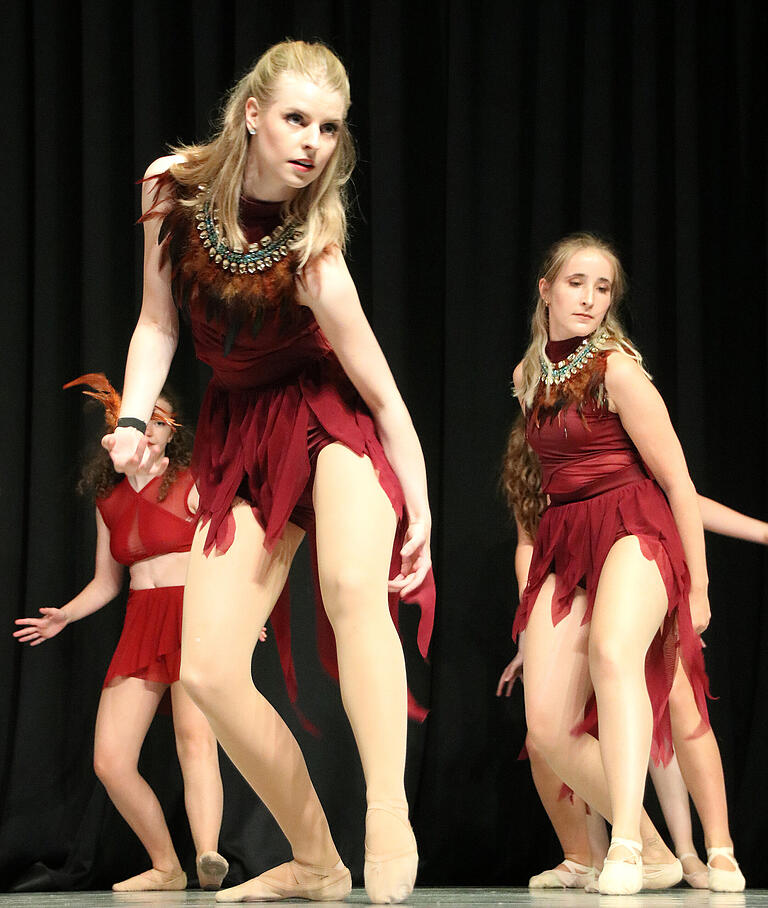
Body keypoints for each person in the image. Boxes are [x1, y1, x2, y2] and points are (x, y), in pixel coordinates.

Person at [101, 40, 434, 905]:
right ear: (252, 112)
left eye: (330, 128)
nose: (313, 142)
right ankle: (318, 861)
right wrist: (134, 420)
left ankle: (388, 810)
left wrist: (421, 506)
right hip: (241, 432)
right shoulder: (168, 188)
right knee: (207, 670)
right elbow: (157, 322)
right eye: (296, 119)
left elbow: (387, 397)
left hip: (328, 419)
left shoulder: (315, 254)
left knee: (353, 588)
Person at [508, 231, 725, 895]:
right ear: (545, 289)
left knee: (613, 654)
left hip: (633, 523)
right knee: (546, 728)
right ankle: (658, 853)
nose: (590, 298)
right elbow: (541, 490)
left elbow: (679, 482)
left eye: (603, 288)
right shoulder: (527, 379)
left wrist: (700, 586)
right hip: (567, 537)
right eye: (576, 282)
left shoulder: (618, 372)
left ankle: (627, 844)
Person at [497, 414, 749, 891]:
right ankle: (596, 854)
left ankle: (712, 850)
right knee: (550, 731)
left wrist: (748, 539)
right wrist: (530, 631)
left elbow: (682, 497)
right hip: (574, 578)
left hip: (630, 558)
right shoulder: (535, 469)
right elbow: (527, 547)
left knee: (676, 697)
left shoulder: (619, 448)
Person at [14, 377, 231, 893]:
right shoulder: (108, 498)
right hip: (141, 619)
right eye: (140, 420)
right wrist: (64, 615)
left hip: (194, 614)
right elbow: (106, 581)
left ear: (171, 430)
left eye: (160, 421)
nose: (150, 430)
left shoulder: (192, 480)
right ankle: (166, 866)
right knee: (110, 759)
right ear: (119, 430)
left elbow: (225, 555)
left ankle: (206, 855)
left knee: (195, 739)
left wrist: (239, 613)